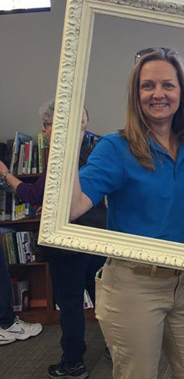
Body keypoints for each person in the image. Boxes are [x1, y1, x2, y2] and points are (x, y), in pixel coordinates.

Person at [69, 47, 184, 379]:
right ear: (136, 95)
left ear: (181, 93)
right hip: (135, 283)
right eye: (147, 86)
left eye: (168, 85)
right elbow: (73, 207)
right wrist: (66, 142)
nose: (158, 94)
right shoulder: (115, 148)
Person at [0, 101, 108, 379]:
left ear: (57, 126)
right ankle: (116, 347)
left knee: (70, 305)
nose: (44, 131)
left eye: (46, 125)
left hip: (67, 243)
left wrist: (6, 174)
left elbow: (34, 194)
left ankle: (73, 363)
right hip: (96, 237)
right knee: (104, 298)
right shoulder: (99, 147)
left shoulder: (63, 155)